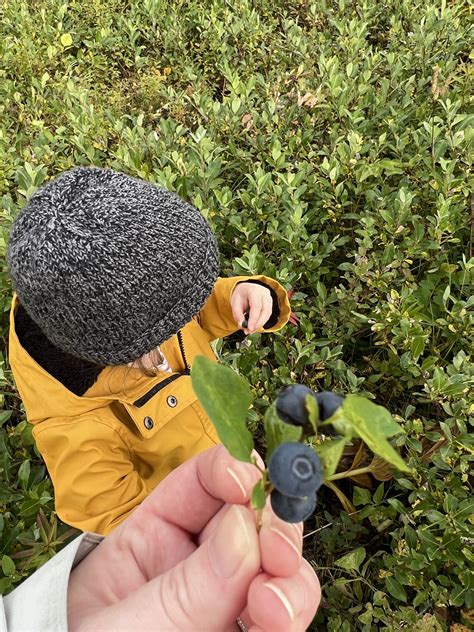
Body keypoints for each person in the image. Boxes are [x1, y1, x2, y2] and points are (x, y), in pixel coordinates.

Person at [7, 167, 291, 535]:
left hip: (226, 454)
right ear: (121, 348)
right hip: (200, 517)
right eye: (171, 325)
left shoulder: (131, 303)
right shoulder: (76, 429)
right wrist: (196, 544)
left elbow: (188, 304)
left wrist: (237, 294)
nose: (184, 322)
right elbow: (120, 526)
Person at [1, 445, 321, 631]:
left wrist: (246, 323)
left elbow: (201, 329)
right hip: (173, 517)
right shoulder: (75, 433)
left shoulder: (172, 337)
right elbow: (106, 510)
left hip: (201, 502)